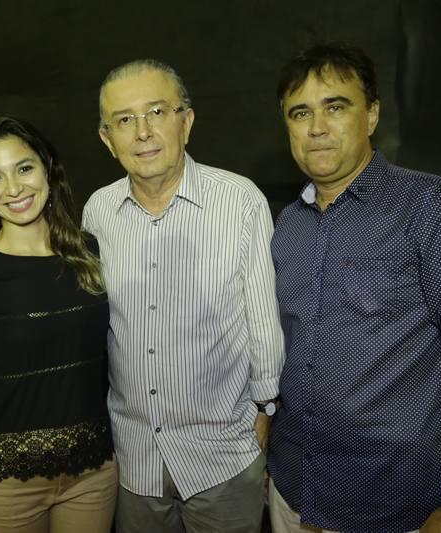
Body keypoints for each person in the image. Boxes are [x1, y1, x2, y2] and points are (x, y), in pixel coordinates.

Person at [267, 43, 441, 533]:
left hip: (397, 504)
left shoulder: (436, 207)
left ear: (373, 115)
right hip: (293, 491)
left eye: (335, 106)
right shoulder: (286, 227)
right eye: (300, 113)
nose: (317, 127)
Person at [83, 59, 285, 533]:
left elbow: (263, 320)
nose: (143, 132)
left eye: (157, 112)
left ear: (187, 121)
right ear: (107, 139)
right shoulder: (98, 212)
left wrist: (266, 410)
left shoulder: (239, 201)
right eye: (125, 120)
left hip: (224, 458)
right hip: (134, 461)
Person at [0, 117, 117, 533]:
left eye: (24, 168)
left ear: (48, 170)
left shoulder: (89, 253)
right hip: (8, 484)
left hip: (93, 476)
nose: (14, 188)